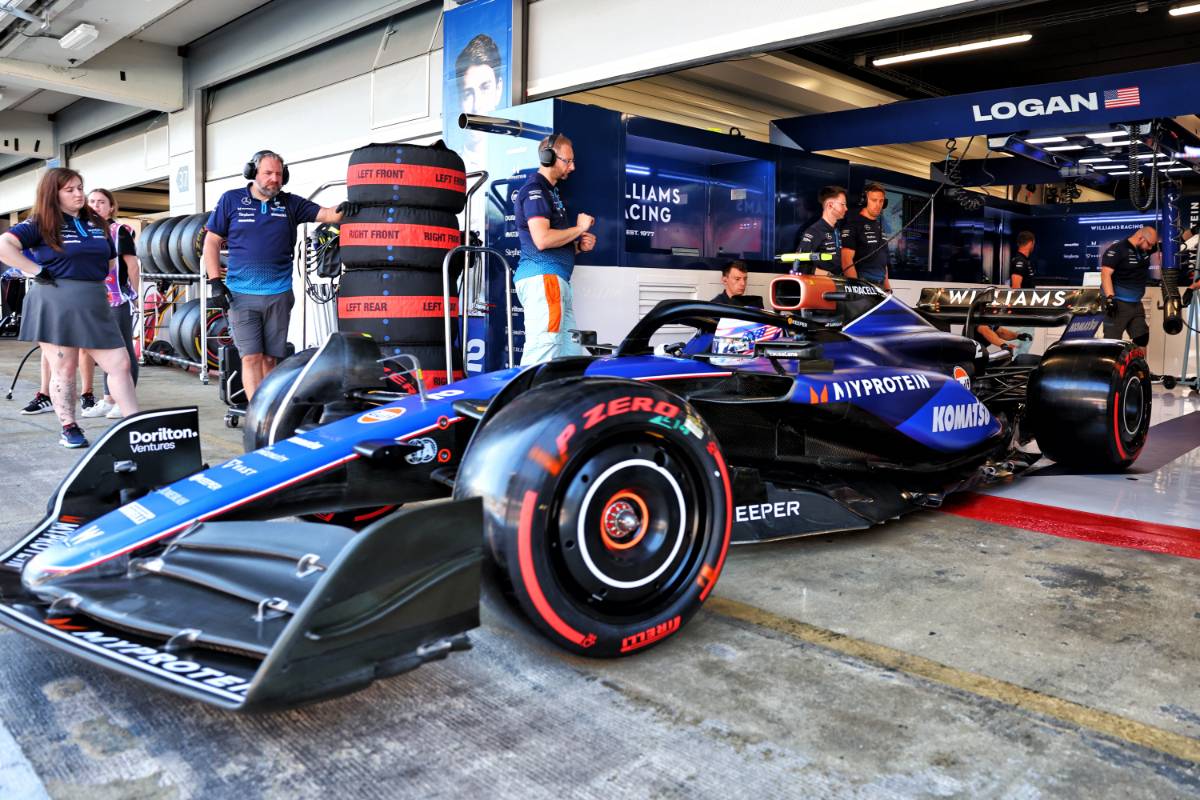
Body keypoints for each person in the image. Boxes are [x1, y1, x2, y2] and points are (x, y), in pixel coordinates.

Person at [0, 168, 139, 448]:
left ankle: (135, 425)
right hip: (55, 299)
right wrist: (36, 271)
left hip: (94, 299)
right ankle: (69, 427)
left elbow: (111, 260)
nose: (79, 194)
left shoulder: (95, 221)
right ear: (54, 194)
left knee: (120, 363)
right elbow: (4, 245)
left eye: (80, 187)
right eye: (70, 190)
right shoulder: (41, 222)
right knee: (65, 367)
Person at [203, 150, 343, 400]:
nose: (274, 179)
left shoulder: (291, 204)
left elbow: (329, 214)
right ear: (253, 173)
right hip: (241, 296)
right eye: (268, 173)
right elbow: (211, 241)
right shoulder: (231, 200)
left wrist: (357, 202)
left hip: (279, 295)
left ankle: (270, 409)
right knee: (251, 357)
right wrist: (215, 281)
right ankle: (257, 414)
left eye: (279, 174)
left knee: (270, 359)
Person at [513, 133, 596, 366]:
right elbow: (542, 240)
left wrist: (578, 246)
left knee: (570, 355)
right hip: (545, 280)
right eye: (567, 161)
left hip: (556, 282)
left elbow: (553, 243)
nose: (572, 167)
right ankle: (527, 391)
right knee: (543, 352)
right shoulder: (536, 191)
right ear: (548, 157)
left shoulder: (550, 192)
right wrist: (579, 228)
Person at [79, 188, 139, 419]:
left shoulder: (119, 231)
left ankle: (124, 400)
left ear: (111, 207)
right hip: (93, 299)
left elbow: (132, 265)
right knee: (105, 351)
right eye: (92, 201)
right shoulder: (86, 231)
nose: (96, 205)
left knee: (123, 351)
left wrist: (137, 296)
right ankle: (108, 399)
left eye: (101, 202)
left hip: (118, 300)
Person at [1100, 226, 1158, 347]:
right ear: (1141, 238)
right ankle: (1113, 361)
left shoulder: (1144, 249)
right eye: (1149, 244)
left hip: (1136, 303)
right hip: (1117, 303)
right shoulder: (1117, 249)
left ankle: (1138, 360)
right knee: (1112, 342)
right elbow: (1105, 274)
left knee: (1142, 338)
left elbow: (1173, 242)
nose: (1151, 248)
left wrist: (1194, 231)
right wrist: (1110, 299)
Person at [456, 34, 504, 175]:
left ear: (498, 90)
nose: (476, 105)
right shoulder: (451, 169)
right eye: (468, 93)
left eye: (485, 88)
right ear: (459, 100)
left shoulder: (515, 160)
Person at [842, 183, 891, 290]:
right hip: (862, 284)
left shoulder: (880, 227)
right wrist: (856, 288)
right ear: (864, 200)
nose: (878, 205)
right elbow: (846, 260)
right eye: (874, 200)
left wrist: (887, 288)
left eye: (881, 201)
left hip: (880, 287)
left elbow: (883, 262)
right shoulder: (853, 224)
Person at [792, 185, 847, 277]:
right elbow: (799, 265)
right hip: (821, 283)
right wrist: (828, 274)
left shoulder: (838, 229)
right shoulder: (813, 232)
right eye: (843, 204)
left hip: (840, 282)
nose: (846, 208)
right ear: (830, 205)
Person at [1008, 230, 1036, 355]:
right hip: (1022, 311)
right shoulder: (1020, 261)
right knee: (1021, 343)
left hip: (1026, 310)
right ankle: (1015, 365)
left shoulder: (1024, 260)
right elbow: (1015, 286)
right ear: (1030, 243)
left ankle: (1018, 364)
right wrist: (1020, 308)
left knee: (1026, 342)